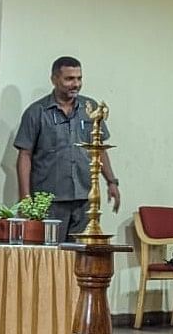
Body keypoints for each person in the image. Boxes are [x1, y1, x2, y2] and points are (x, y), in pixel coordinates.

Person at [14, 56, 121, 240]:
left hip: (85, 198)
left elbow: (99, 149)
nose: (76, 84)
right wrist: (25, 198)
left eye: (79, 78)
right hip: (49, 201)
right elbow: (25, 155)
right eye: (69, 79)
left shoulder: (91, 108)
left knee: (81, 259)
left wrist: (111, 181)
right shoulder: (36, 112)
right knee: (50, 258)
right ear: (54, 79)